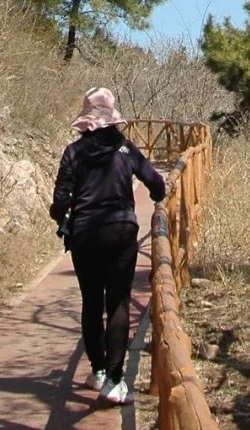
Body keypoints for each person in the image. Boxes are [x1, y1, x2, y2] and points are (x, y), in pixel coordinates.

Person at [50, 86, 166, 405]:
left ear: (87, 118)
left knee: (91, 301)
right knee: (118, 303)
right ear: (112, 117)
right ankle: (115, 381)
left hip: (85, 234)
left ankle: (98, 370)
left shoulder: (74, 152)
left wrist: (60, 214)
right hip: (121, 230)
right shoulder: (125, 149)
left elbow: (60, 200)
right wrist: (157, 198)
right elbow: (155, 182)